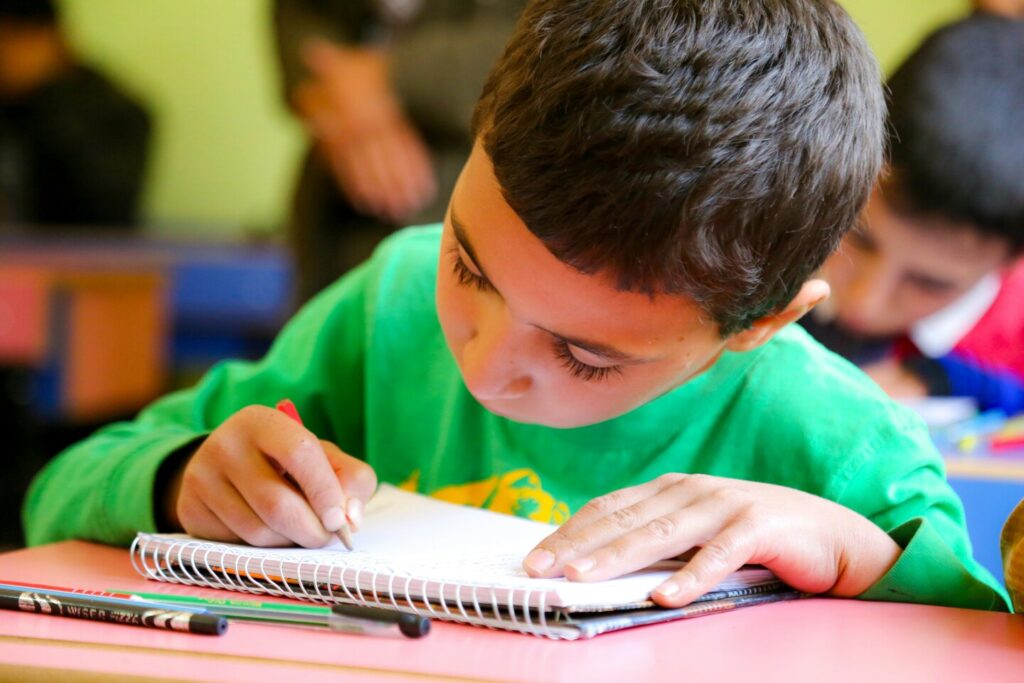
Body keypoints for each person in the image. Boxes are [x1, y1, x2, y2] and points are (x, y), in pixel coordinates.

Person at [24, 0, 1009, 612]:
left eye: (585, 355)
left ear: (758, 325)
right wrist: (178, 478)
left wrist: (855, 551)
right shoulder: (389, 300)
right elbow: (59, 491)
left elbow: (971, 634)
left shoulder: (835, 446)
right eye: (472, 267)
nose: (488, 365)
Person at [800, 14, 1024, 413]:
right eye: (856, 236)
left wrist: (954, 380)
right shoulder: (767, 224)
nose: (864, 305)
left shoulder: (1013, 340)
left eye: (929, 283)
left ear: (1012, 260)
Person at [274, 0, 525, 303]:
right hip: (334, 230)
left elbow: (551, 52)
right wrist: (334, 100)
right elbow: (301, 25)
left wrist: (383, 76)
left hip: (484, 229)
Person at [0, 0, 150, 227]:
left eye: (7, 39)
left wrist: (48, 94)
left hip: (82, 256)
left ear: (44, 38)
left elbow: (106, 209)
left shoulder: (113, 108)